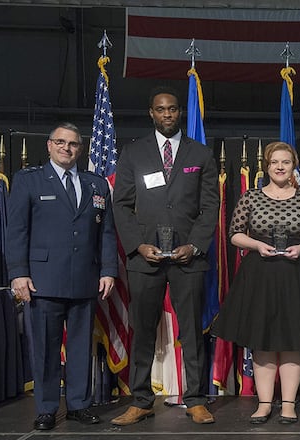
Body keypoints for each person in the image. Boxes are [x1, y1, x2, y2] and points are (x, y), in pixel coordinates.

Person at [111, 86, 219, 426]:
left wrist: (196, 245)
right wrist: (138, 246)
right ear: (151, 113)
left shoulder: (200, 153)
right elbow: (122, 205)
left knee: (191, 331)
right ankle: (141, 400)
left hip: (188, 258)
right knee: (142, 330)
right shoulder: (132, 153)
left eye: (172, 108)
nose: (167, 114)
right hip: (146, 257)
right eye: (161, 109)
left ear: (180, 112)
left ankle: (196, 400)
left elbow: (210, 206)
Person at [5, 122, 117, 430]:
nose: (67, 148)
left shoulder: (95, 184)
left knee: (81, 347)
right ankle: (47, 407)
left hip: (85, 278)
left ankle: (80, 405)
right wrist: (18, 274)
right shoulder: (29, 181)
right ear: (50, 146)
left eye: (73, 144)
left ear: (81, 149)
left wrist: (108, 270)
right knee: (45, 350)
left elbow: (105, 232)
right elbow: (16, 231)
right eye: (61, 142)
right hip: (42, 280)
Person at [211, 141, 300, 424]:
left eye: (285, 162)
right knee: (262, 342)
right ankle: (264, 404)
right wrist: (255, 245)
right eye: (274, 162)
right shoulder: (250, 197)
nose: (279, 167)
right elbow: (234, 234)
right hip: (259, 274)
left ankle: (288, 404)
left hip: (295, 275)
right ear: (267, 166)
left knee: (292, 342)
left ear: (293, 167)